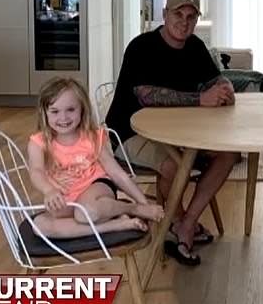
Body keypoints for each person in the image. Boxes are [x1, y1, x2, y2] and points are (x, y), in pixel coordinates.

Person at [105, 0, 239, 266]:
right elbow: (146, 95)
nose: (184, 21)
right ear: (164, 15)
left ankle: (186, 223)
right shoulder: (141, 46)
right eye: (178, 14)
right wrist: (201, 99)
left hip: (183, 133)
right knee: (174, 165)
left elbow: (216, 79)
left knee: (228, 154)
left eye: (191, 16)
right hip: (130, 132)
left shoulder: (195, 47)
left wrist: (224, 87)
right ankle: (176, 223)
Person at [27, 77, 165, 239]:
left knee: (85, 213)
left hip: (96, 189)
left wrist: (143, 204)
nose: (63, 118)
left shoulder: (90, 137)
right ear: (45, 113)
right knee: (40, 226)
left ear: (82, 110)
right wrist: (48, 190)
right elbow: (36, 171)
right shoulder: (39, 142)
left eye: (71, 109)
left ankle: (130, 209)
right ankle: (115, 225)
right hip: (67, 198)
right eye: (55, 111)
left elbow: (116, 173)